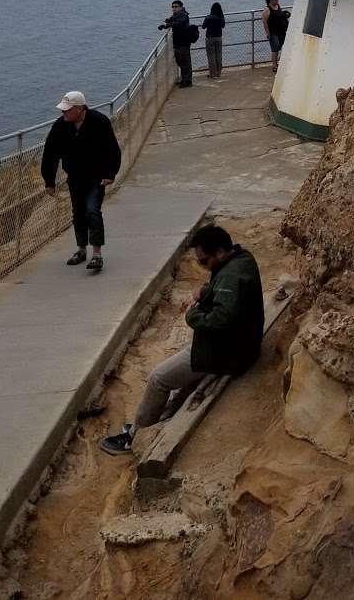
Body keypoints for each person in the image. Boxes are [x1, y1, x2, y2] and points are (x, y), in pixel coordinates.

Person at [99, 224, 264, 455]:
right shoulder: (241, 258)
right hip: (239, 345)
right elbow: (225, 290)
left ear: (219, 252)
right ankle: (158, 418)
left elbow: (219, 320)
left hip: (225, 354)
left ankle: (135, 436)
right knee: (179, 383)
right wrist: (206, 291)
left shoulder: (230, 276)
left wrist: (192, 315)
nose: (201, 266)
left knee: (158, 378)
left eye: (204, 261)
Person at [41, 91, 122, 274]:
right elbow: (50, 154)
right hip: (75, 177)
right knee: (78, 213)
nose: (64, 114)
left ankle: (97, 253)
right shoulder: (60, 127)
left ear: (79, 109)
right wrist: (49, 181)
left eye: (67, 111)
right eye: (63, 111)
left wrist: (111, 173)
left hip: (97, 177)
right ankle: (81, 249)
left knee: (92, 210)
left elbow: (113, 149)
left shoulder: (100, 122)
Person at [160, 0, 193, 87]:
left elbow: (178, 23)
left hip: (184, 42)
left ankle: (187, 81)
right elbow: (171, 21)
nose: (174, 8)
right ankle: (183, 79)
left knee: (185, 61)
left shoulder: (184, 15)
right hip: (177, 42)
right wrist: (166, 23)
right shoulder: (175, 15)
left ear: (181, 7)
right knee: (180, 61)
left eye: (176, 7)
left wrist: (167, 25)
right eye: (173, 7)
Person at [262, 0, 290, 72]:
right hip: (273, 32)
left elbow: (280, 15)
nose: (277, 1)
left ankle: (277, 62)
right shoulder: (267, 10)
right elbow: (264, 22)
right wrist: (268, 33)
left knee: (279, 47)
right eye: (276, 0)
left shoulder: (278, 6)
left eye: (278, 0)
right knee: (275, 48)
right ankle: (274, 65)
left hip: (281, 31)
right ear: (271, 0)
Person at [202, 2, 225, 79]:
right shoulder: (221, 17)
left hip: (210, 38)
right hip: (219, 38)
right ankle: (218, 73)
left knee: (211, 56)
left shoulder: (208, 17)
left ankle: (213, 74)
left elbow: (203, 26)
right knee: (219, 55)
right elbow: (223, 25)